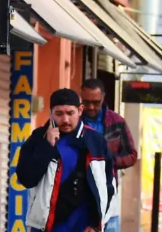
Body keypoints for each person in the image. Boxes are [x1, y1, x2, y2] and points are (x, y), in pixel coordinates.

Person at [17, 88, 115, 232]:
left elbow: (109, 186)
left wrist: (96, 224)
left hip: (83, 226)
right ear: (51, 112)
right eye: (59, 114)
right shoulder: (38, 138)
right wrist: (46, 146)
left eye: (70, 113)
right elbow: (26, 179)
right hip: (45, 226)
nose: (65, 120)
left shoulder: (95, 141)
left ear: (80, 110)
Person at [81, 79, 138, 232]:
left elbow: (132, 155)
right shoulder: (74, 121)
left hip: (108, 189)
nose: (91, 107)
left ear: (103, 97)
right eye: (86, 102)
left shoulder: (117, 122)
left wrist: (109, 162)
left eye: (96, 102)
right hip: (79, 192)